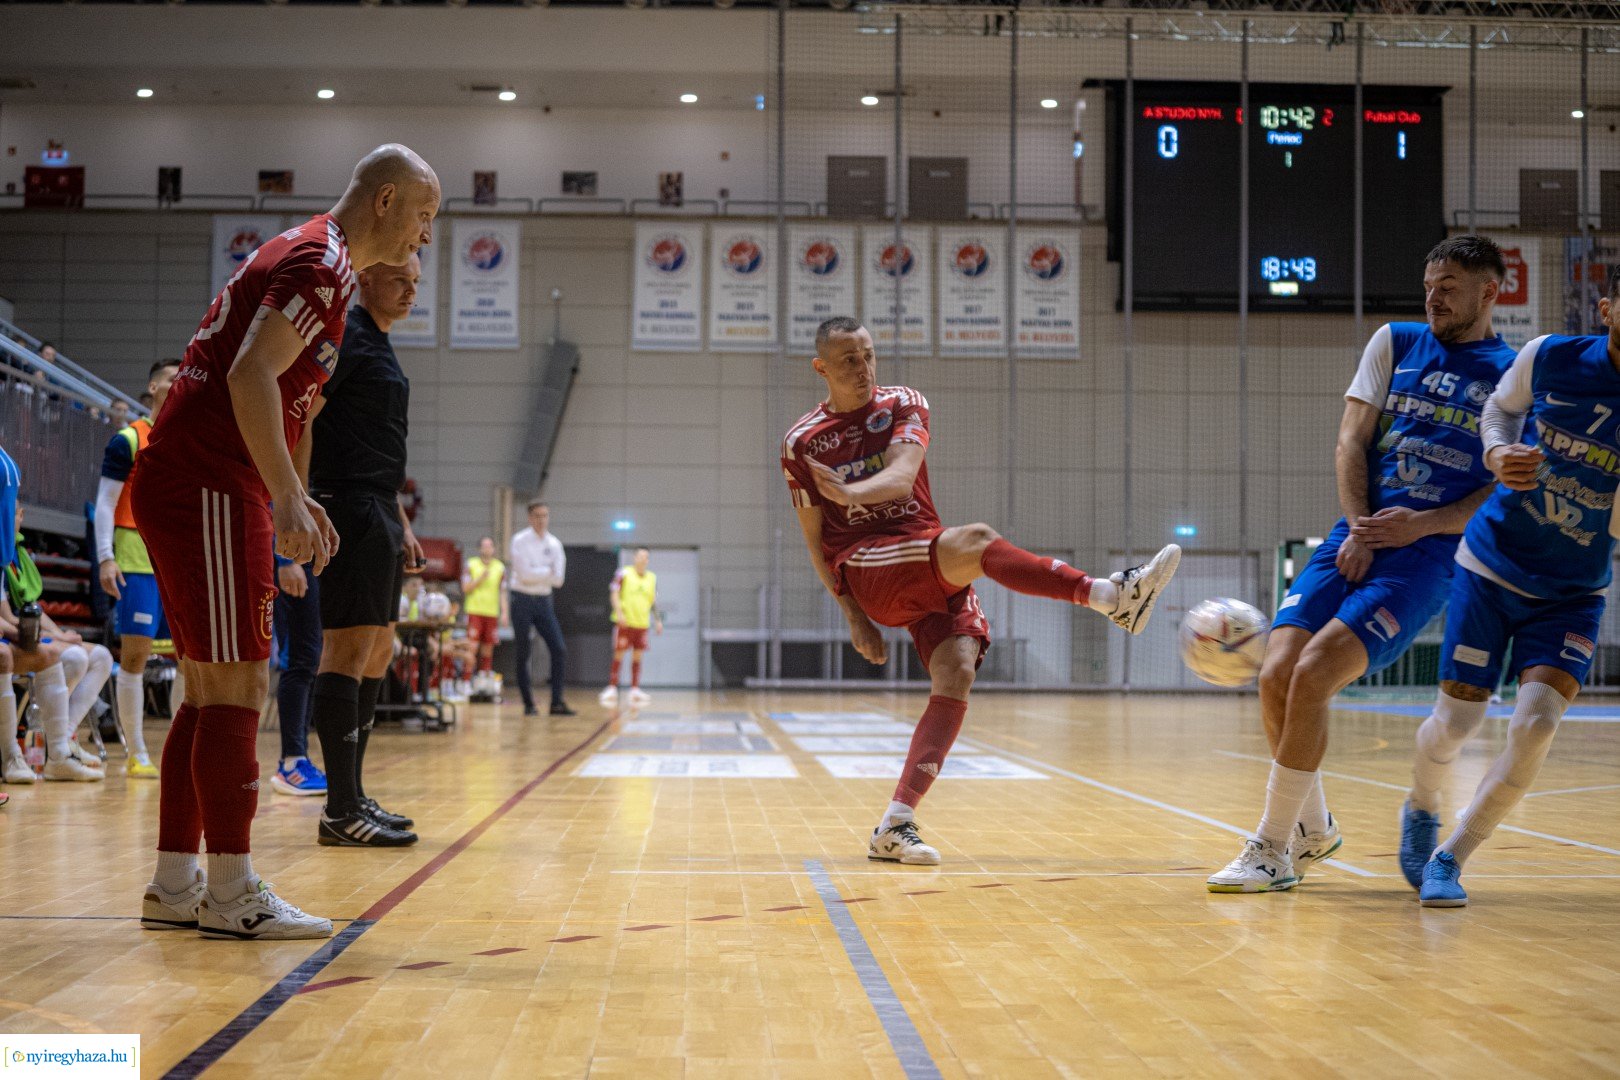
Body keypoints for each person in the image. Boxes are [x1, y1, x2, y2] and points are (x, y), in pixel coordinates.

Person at [130, 144, 439, 940]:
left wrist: (297, 495)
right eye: (424, 215)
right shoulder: (320, 263)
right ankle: (232, 893)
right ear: (385, 201)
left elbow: (292, 402)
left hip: (201, 478)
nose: (426, 236)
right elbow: (249, 376)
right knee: (239, 688)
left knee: (208, 689)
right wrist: (284, 496)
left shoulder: (323, 263)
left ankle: (176, 882)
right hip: (210, 478)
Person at [782, 316, 1180, 866]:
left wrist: (850, 492)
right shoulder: (802, 441)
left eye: (869, 354)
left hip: (922, 551)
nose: (863, 368)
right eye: (848, 359)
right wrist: (853, 615)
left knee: (957, 670)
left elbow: (901, 477)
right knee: (977, 541)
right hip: (866, 563)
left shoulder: (903, 403)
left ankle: (894, 824)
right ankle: (1111, 597)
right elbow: (815, 540)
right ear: (821, 368)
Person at [1207, 236, 1519, 893]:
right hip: (1355, 534)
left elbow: (1504, 488)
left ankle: (1270, 848)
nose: (1434, 298)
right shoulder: (1395, 342)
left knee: (1315, 672)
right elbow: (1351, 439)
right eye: (1429, 285)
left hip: (1428, 556)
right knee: (1276, 672)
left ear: (1490, 291)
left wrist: (1422, 524)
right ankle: (1313, 829)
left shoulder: (1513, 373)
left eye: (1449, 287)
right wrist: (1358, 527)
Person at [1401, 264, 1620, 908]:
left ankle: (1451, 856)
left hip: (1573, 590)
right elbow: (1499, 408)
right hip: (1492, 564)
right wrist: (1497, 453)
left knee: (1537, 724)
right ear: (1608, 310)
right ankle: (1421, 805)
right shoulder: (1551, 356)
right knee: (1457, 721)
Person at [295, 255, 425, 848]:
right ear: (365, 278)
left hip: (379, 508)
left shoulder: (380, 342)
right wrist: (297, 500)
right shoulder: (345, 336)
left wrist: (402, 521)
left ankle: (355, 794)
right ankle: (339, 809)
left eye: (416, 282)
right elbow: (303, 419)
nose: (410, 290)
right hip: (347, 506)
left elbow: (377, 446)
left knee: (379, 649)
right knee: (346, 649)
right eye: (400, 279)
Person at [95, 359, 179, 778]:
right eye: (173, 377)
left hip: (177, 563)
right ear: (153, 387)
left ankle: (181, 750)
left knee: (190, 659)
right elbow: (105, 503)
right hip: (135, 560)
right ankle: (137, 752)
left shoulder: (187, 439)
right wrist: (105, 557)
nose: (180, 382)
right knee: (135, 657)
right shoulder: (128, 439)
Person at [508, 502, 574, 717]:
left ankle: (556, 702)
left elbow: (559, 580)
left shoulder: (554, 544)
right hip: (521, 600)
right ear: (530, 518)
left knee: (559, 648)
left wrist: (537, 572)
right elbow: (524, 575)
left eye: (545, 515)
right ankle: (528, 703)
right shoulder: (519, 541)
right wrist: (546, 571)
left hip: (544, 601)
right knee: (523, 651)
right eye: (537, 516)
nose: (541, 520)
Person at [269, 554, 326, 796]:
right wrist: (286, 560)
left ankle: (298, 758)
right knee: (298, 660)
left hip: (309, 560)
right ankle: (291, 762)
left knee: (310, 661)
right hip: (294, 557)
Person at [599, 547, 661, 708]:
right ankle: (612, 688)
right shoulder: (624, 573)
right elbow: (614, 593)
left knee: (637, 656)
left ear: (648, 560)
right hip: (625, 622)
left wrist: (658, 620)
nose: (643, 559)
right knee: (619, 654)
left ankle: (634, 689)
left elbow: (653, 600)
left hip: (642, 623)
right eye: (640, 556)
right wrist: (619, 612)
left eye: (646, 557)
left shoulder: (652, 578)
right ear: (635, 558)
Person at [461, 536, 507, 696]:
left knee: (488, 648)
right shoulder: (471, 564)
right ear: (479, 548)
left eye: (490, 546)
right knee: (472, 647)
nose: (487, 549)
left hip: (491, 613)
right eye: (484, 546)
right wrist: (480, 579)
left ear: (494, 549)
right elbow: (465, 588)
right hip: (474, 611)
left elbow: (502, 592)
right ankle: (465, 681)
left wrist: (505, 612)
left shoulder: (500, 567)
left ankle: (483, 682)